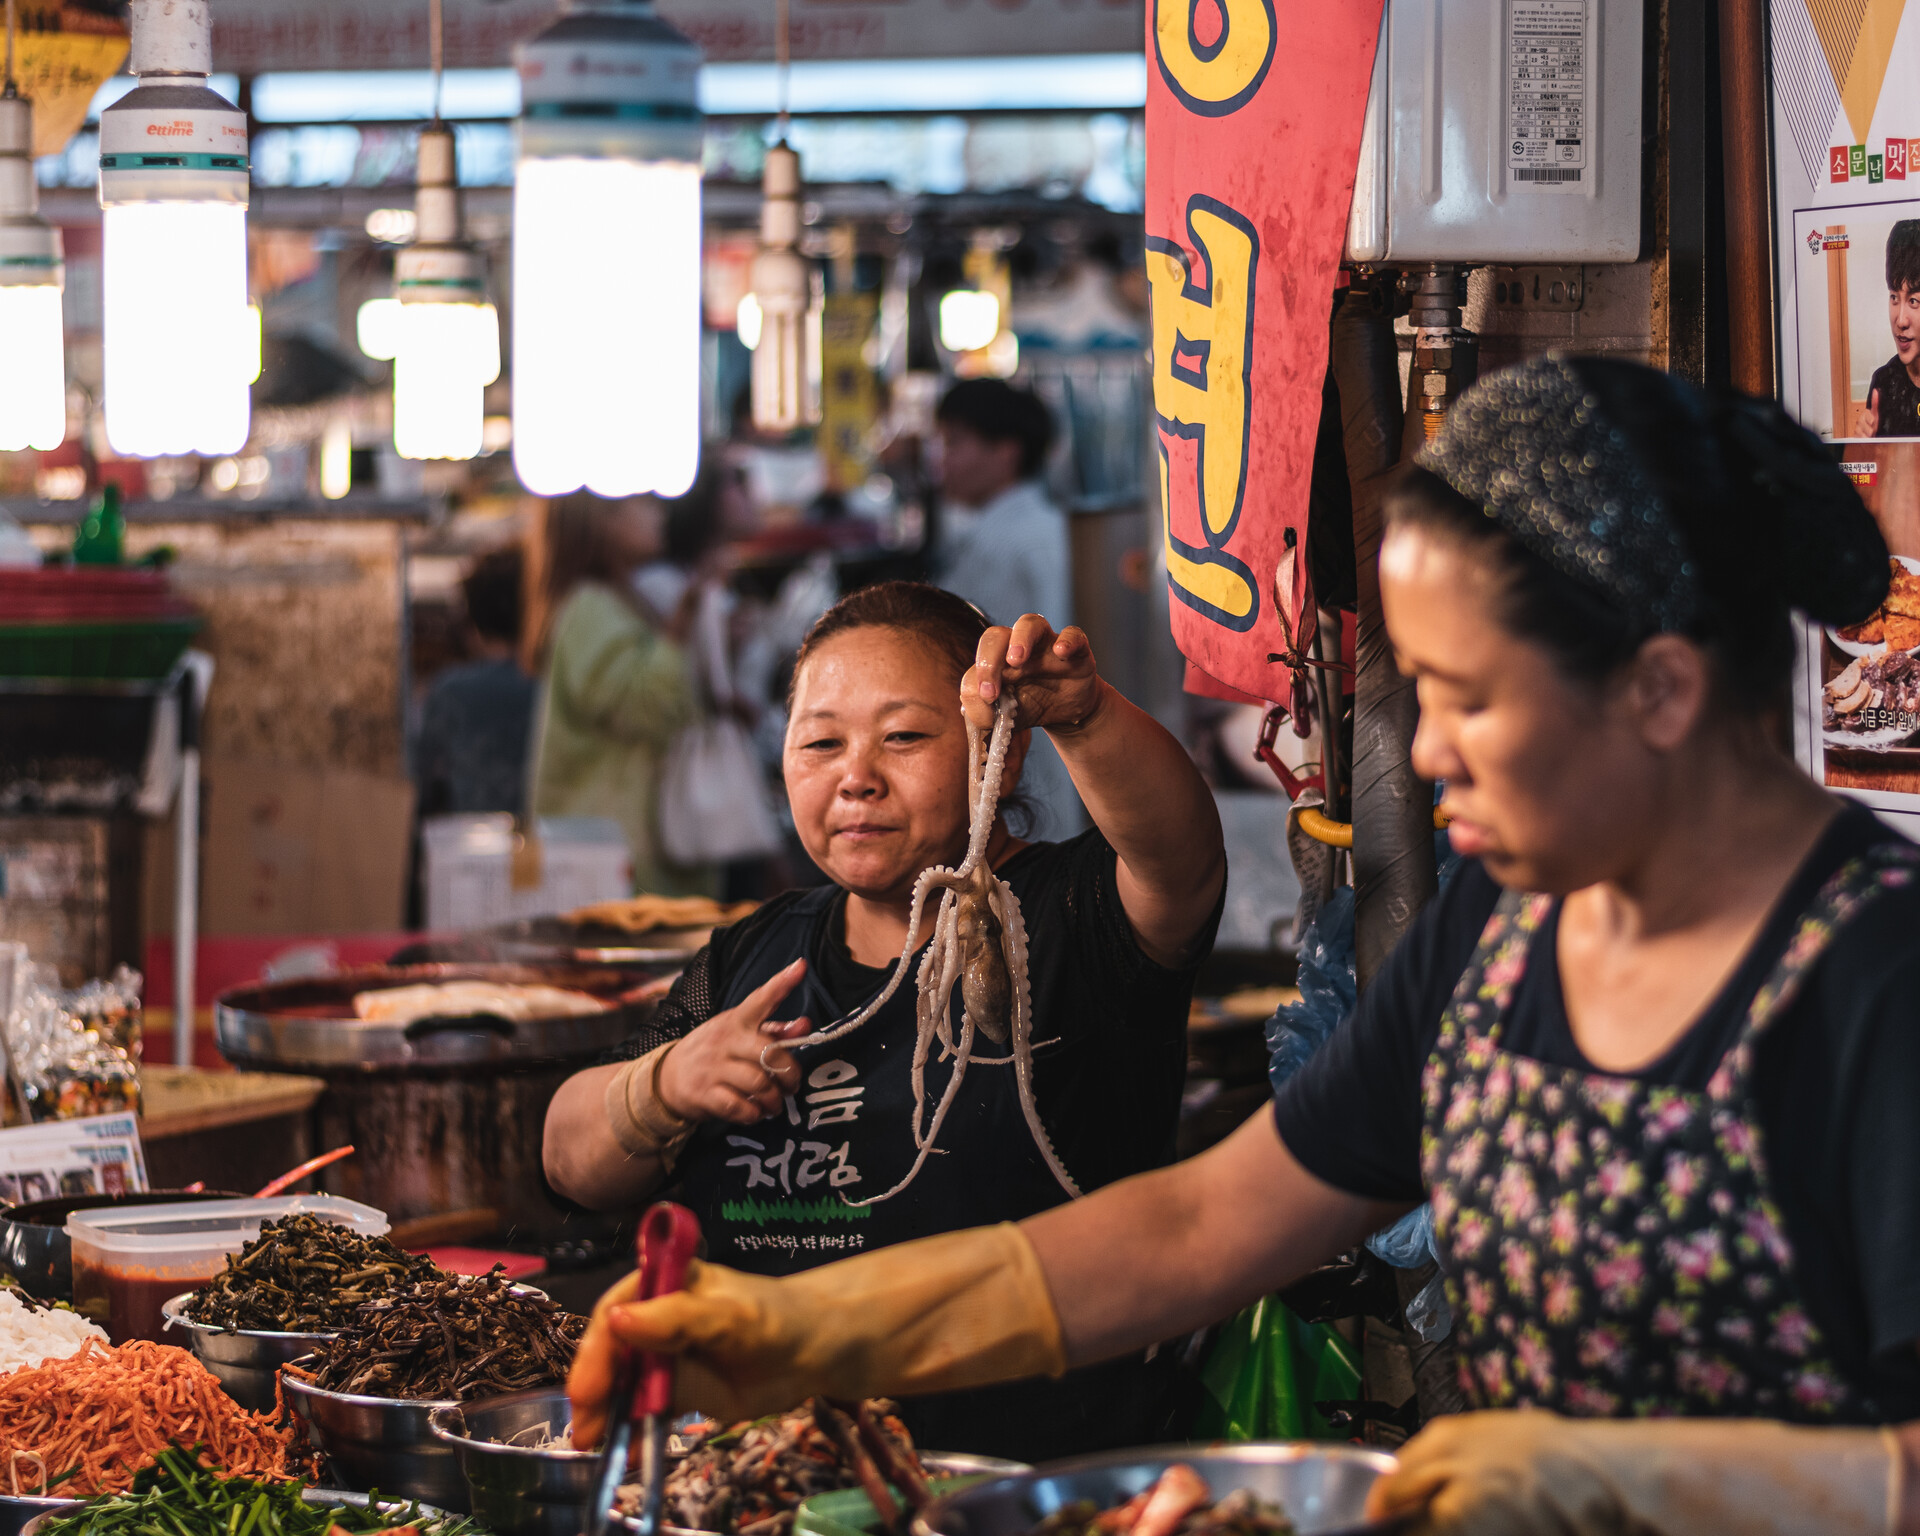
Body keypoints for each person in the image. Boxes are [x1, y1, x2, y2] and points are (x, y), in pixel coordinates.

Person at [568, 357, 1920, 1536]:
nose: (1432, 757)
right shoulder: (1502, 939)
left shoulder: (1873, 982)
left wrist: (1667, 1492)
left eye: (1468, 701)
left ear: (1662, 689)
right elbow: (1203, 1223)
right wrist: (806, 1331)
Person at [542, 580, 1225, 1460]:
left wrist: (1084, 717)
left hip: (1014, 1486)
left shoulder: (1070, 921)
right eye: (821, 742)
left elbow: (1183, 858)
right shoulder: (754, 957)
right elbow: (567, 1162)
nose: (856, 777)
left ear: (1000, 754)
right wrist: (664, 1085)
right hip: (766, 1478)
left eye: (903, 738)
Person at [525, 492, 713, 897]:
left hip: (624, 858)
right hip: (618, 865)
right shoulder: (591, 610)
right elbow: (649, 710)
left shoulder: (612, 603)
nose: (659, 514)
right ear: (602, 519)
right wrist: (679, 630)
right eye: (643, 503)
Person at [934, 379, 1085, 838]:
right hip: (1056, 749)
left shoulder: (998, 542)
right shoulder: (1050, 524)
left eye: (955, 443)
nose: (941, 460)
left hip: (1020, 749)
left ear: (1006, 452)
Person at [415, 546, 536, 817]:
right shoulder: (554, 687)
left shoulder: (450, 692)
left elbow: (421, 786)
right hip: (554, 844)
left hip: (469, 848)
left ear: (470, 621)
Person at [1864, 219, 1920, 438]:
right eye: (1894, 297)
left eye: (1914, 301)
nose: (1901, 320)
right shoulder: (1884, 383)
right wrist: (1862, 450)